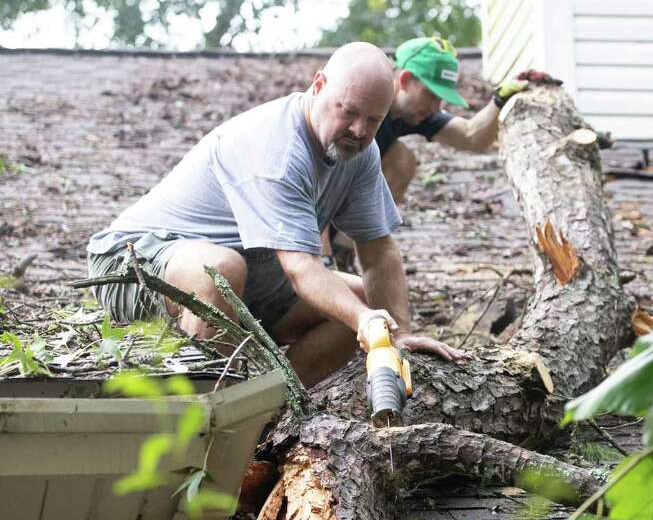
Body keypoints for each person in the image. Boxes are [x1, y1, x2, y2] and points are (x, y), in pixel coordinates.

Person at [86, 42, 465, 388]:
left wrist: (397, 333)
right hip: (132, 264)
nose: (359, 131)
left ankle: (271, 408)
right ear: (318, 86)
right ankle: (212, 412)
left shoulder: (359, 154)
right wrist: (364, 322)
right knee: (219, 270)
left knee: (361, 299)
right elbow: (301, 268)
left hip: (254, 280)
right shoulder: (278, 150)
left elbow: (379, 250)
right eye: (348, 112)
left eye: (374, 121)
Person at [321, 36, 557, 259]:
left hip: (338, 221)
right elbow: (314, 182)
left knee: (402, 160)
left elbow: (472, 137)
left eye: (441, 98)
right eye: (431, 94)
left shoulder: (414, 113)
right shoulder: (356, 106)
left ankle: (347, 253)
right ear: (404, 80)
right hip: (302, 222)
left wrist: (500, 99)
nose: (436, 106)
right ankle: (332, 259)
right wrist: (323, 258)